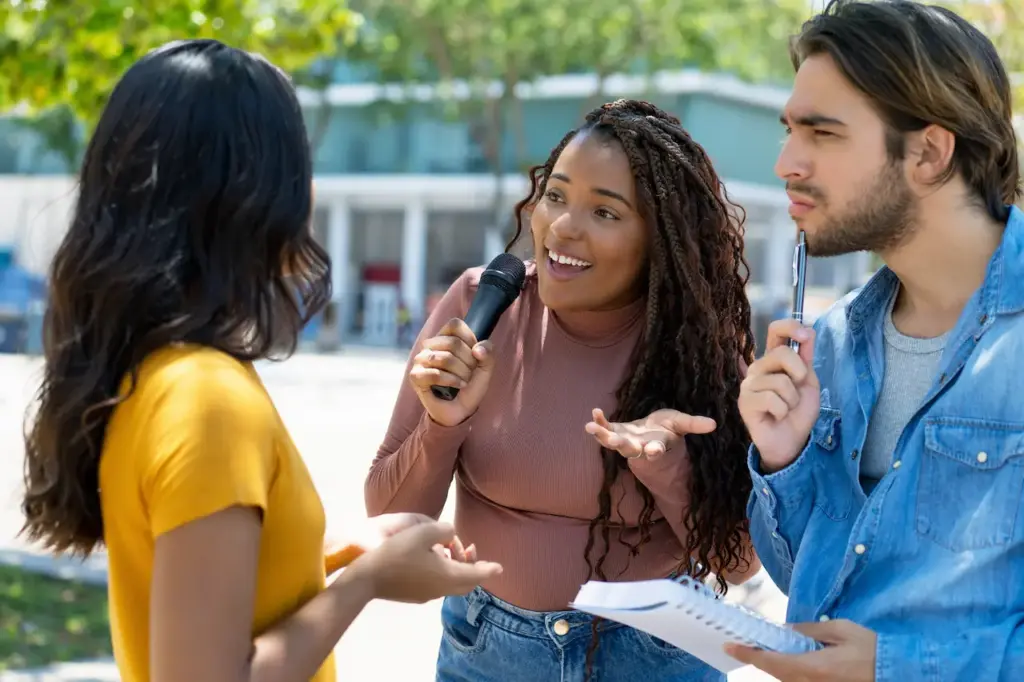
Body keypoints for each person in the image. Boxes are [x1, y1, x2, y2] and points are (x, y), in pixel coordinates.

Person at [19, 39, 501, 682]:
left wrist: (330, 554)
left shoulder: (158, 372)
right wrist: (367, 581)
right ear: (258, 196)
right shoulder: (206, 398)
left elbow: (201, 579)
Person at [366, 99, 761, 682]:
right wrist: (441, 425)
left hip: (655, 657)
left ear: (661, 240)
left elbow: (738, 561)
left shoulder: (697, 347)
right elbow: (391, 519)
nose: (562, 227)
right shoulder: (484, 307)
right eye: (556, 196)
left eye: (605, 212)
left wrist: (668, 467)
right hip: (487, 655)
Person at [729, 2, 1024, 680]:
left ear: (928, 152)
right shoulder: (831, 344)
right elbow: (812, 577)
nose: (785, 164)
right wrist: (785, 460)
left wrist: (896, 666)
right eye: (788, 131)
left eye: (821, 134)